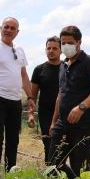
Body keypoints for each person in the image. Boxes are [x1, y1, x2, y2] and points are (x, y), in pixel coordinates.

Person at [0, 17, 35, 178]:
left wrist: (30, 96)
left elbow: (23, 75)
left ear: (17, 32)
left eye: (12, 28)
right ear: (1, 28)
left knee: (13, 139)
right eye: (6, 27)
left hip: (15, 100)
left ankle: (11, 174)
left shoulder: (20, 49)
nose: (9, 30)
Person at [49, 25, 90, 179]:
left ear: (79, 42)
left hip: (84, 125)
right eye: (63, 43)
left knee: (80, 167)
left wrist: (81, 107)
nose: (66, 46)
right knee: (53, 164)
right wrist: (54, 122)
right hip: (63, 123)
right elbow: (60, 95)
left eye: (70, 43)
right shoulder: (63, 65)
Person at [29, 36, 62, 164]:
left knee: (61, 146)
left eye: (55, 48)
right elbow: (33, 95)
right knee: (48, 144)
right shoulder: (39, 70)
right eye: (49, 48)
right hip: (45, 114)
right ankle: (49, 174)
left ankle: (60, 174)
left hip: (63, 114)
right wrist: (31, 114)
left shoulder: (66, 68)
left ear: (61, 50)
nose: (51, 51)